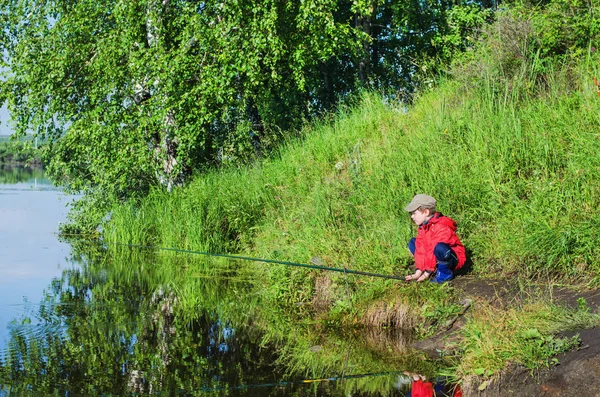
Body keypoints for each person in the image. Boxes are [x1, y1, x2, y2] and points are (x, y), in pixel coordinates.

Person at [404, 194, 466, 283]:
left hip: (452, 258)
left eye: (414, 213)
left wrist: (427, 272)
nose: (412, 217)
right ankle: (433, 268)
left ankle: (445, 274)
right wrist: (419, 271)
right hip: (433, 255)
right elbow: (421, 250)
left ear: (426, 212)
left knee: (440, 248)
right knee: (413, 242)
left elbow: (432, 250)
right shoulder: (423, 227)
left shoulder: (441, 226)